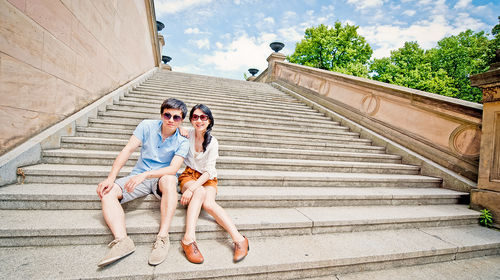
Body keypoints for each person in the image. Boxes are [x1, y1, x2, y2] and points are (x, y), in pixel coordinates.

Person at [96, 98, 189, 267]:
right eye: (167, 115)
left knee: (169, 180)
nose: (171, 120)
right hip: (138, 176)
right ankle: (122, 241)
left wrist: (146, 175)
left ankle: (162, 237)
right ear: (161, 115)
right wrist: (111, 178)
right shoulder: (146, 126)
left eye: (176, 117)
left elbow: (173, 168)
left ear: (182, 120)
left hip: (160, 177)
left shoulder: (183, 140)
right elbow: (128, 150)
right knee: (107, 192)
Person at [178, 104, 249, 264]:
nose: (199, 120)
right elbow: (169, 125)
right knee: (199, 193)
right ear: (191, 120)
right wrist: (180, 127)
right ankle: (188, 239)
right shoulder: (186, 133)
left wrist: (193, 189)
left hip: (207, 177)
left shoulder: (212, 142)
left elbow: (209, 171)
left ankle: (239, 240)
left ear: (209, 121)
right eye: (195, 117)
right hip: (188, 174)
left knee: (209, 204)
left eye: (203, 117)